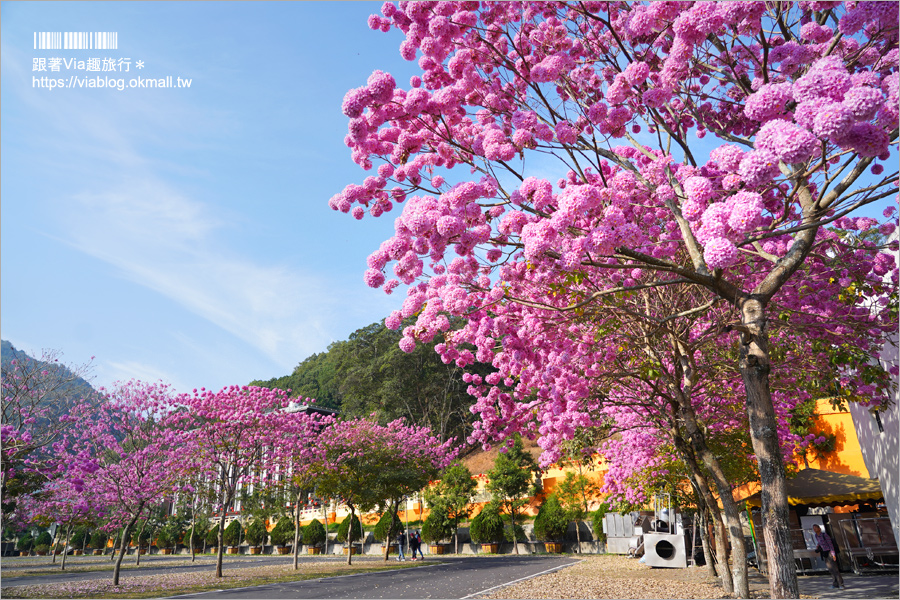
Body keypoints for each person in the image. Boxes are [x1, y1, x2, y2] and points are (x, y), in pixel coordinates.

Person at [813, 524, 844, 589]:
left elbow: (830, 545)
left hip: (829, 552)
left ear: (819, 529)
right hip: (824, 553)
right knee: (830, 569)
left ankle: (841, 584)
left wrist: (833, 554)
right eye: (814, 528)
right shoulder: (816, 536)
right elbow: (820, 542)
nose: (814, 529)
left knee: (835, 569)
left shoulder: (825, 535)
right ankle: (835, 583)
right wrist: (818, 546)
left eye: (815, 528)